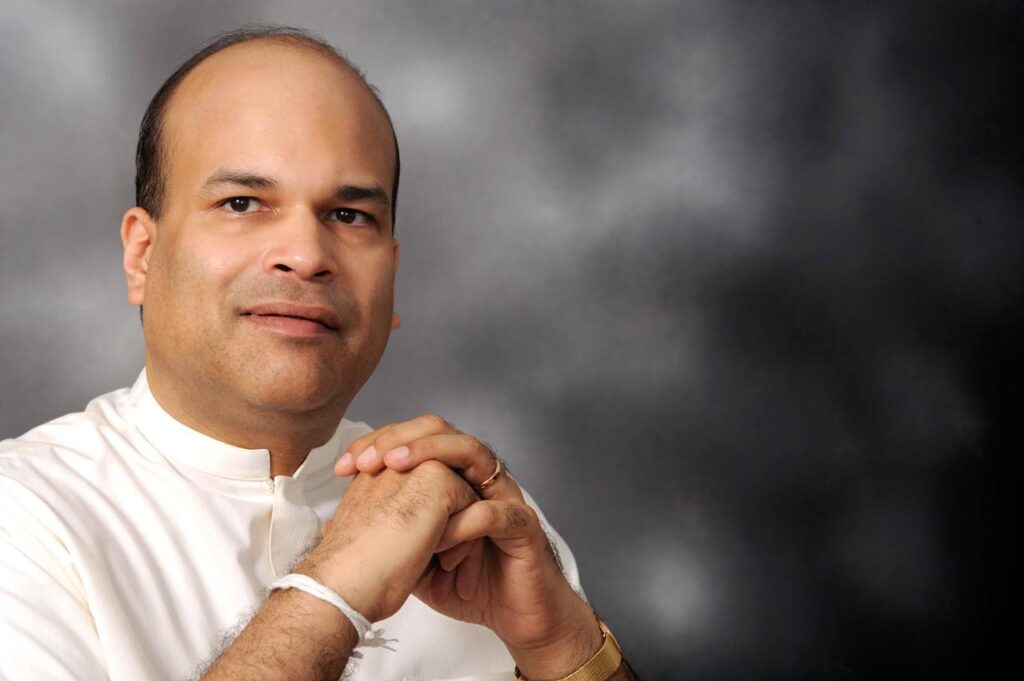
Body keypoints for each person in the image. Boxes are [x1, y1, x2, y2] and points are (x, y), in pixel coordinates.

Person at [0, 26, 638, 681]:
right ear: (142, 256)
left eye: (349, 215)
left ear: (390, 276)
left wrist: (561, 644)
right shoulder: (23, 515)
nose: (306, 255)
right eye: (242, 203)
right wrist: (335, 585)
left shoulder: (478, 521)